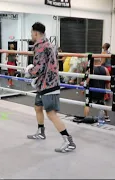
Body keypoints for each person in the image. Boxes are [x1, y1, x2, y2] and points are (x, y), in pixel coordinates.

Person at [25, 22, 76, 153]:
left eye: (32, 33)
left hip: (48, 85)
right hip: (44, 84)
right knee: (38, 107)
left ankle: (68, 141)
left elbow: (40, 67)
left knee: (51, 113)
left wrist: (29, 72)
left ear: (36, 33)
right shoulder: (50, 45)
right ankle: (41, 132)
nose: (31, 35)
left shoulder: (41, 47)